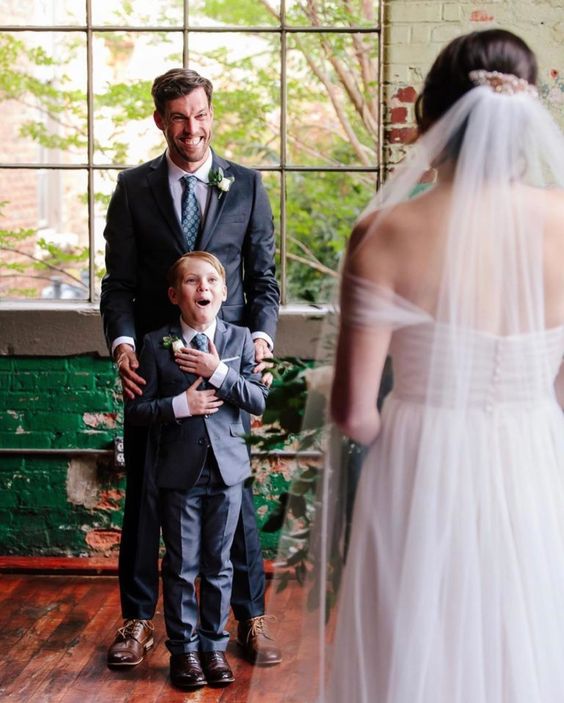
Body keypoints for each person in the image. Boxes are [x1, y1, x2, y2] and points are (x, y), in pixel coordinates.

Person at [249, 29, 564, 703]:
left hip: (422, 464)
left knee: (419, 641)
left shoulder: (385, 231)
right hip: (535, 454)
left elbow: (355, 414)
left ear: (430, 119)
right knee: (523, 631)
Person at [100, 68, 281, 668]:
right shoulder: (132, 188)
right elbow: (120, 284)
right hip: (154, 370)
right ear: (161, 121)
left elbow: (262, 282)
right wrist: (124, 345)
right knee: (146, 502)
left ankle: (250, 619)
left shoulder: (248, 185)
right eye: (179, 118)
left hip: (226, 363)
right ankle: (136, 620)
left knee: (235, 497)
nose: (192, 129)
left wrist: (260, 342)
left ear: (211, 115)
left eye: (200, 115)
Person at [125, 251, 268, 690]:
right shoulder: (154, 343)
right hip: (178, 472)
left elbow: (258, 400)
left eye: (211, 281)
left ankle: (214, 648)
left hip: (227, 473)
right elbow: (137, 411)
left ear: (225, 292)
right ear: (174, 294)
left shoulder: (241, 339)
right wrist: (179, 405)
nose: (202, 288)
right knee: (183, 564)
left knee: (220, 564)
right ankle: (183, 652)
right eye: (191, 281)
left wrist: (217, 371)